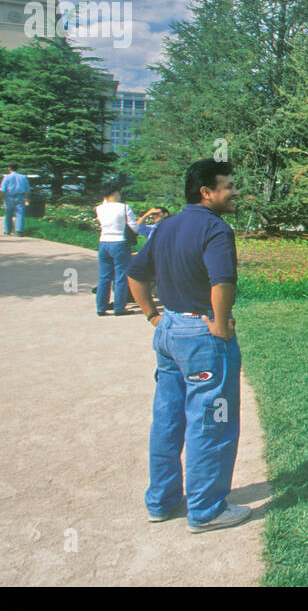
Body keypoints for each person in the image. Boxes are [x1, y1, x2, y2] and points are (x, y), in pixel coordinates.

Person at [126, 159, 248, 532]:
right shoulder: (216, 228)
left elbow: (135, 273)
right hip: (202, 336)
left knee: (168, 419)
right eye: (227, 186)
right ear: (206, 193)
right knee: (213, 421)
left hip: (169, 331)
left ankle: (161, 502)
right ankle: (206, 510)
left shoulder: (164, 227)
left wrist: (153, 316)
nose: (234, 191)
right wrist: (221, 323)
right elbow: (222, 281)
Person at [95, 180, 140, 317]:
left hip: (103, 243)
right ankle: (119, 307)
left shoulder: (99, 208)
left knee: (104, 277)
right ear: (115, 193)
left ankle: (101, 307)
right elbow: (134, 227)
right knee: (121, 276)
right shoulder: (125, 208)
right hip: (120, 243)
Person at [0, 163, 31, 236]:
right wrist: (27, 198)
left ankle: (7, 230)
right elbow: (27, 190)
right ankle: (19, 231)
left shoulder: (7, 177)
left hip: (9, 197)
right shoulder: (23, 177)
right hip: (20, 196)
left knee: (8, 214)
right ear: (17, 169)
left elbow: (2, 189)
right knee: (20, 214)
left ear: (9, 168)